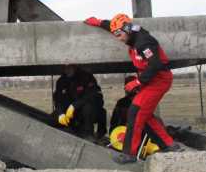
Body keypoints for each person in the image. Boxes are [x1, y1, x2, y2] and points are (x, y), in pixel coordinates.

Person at [84, 13, 183, 163]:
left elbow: (155, 64)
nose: (118, 38)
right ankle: (169, 145)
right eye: (116, 34)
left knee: (135, 112)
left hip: (158, 80)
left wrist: (137, 82)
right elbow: (113, 26)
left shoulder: (144, 42)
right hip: (150, 80)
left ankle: (129, 153)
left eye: (119, 34)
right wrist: (98, 22)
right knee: (145, 115)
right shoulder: (129, 31)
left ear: (127, 29)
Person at [53, 64, 106, 140]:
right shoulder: (61, 81)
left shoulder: (86, 77)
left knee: (87, 108)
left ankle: (88, 134)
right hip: (69, 113)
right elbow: (58, 99)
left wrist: (74, 106)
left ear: (74, 66)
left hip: (86, 112)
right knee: (54, 117)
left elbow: (92, 95)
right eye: (65, 68)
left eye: (69, 67)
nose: (67, 70)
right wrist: (60, 113)